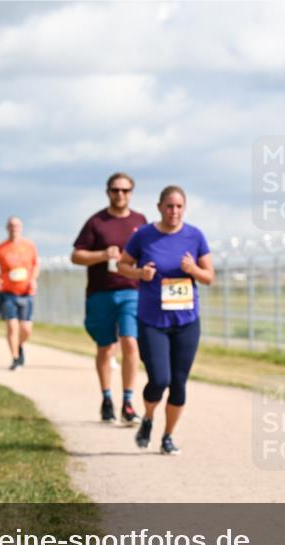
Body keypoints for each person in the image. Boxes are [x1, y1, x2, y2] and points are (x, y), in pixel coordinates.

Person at [119, 185, 213, 455]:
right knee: (159, 379)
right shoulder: (144, 236)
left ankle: (168, 436)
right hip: (152, 321)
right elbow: (122, 265)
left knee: (179, 383)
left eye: (179, 206)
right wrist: (140, 274)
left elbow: (209, 277)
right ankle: (148, 417)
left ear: (184, 208)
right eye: (169, 206)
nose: (174, 211)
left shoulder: (195, 236)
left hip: (186, 321)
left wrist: (192, 269)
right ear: (159, 207)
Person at [71, 172, 147, 424]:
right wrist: (103, 254)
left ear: (131, 193)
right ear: (108, 192)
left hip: (131, 290)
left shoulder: (139, 221)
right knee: (105, 347)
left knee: (130, 342)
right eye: (115, 190)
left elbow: (148, 252)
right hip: (101, 292)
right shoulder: (96, 222)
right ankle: (106, 398)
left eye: (125, 190)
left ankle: (127, 401)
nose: (120, 194)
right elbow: (77, 256)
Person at [0, 216, 39, 371]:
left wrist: (33, 279)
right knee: (12, 326)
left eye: (16, 225)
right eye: (11, 225)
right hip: (7, 292)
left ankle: (19, 344)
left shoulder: (29, 245)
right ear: (7, 228)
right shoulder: (0, 248)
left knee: (26, 329)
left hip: (26, 292)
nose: (14, 228)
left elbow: (36, 264)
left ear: (21, 227)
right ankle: (15, 358)